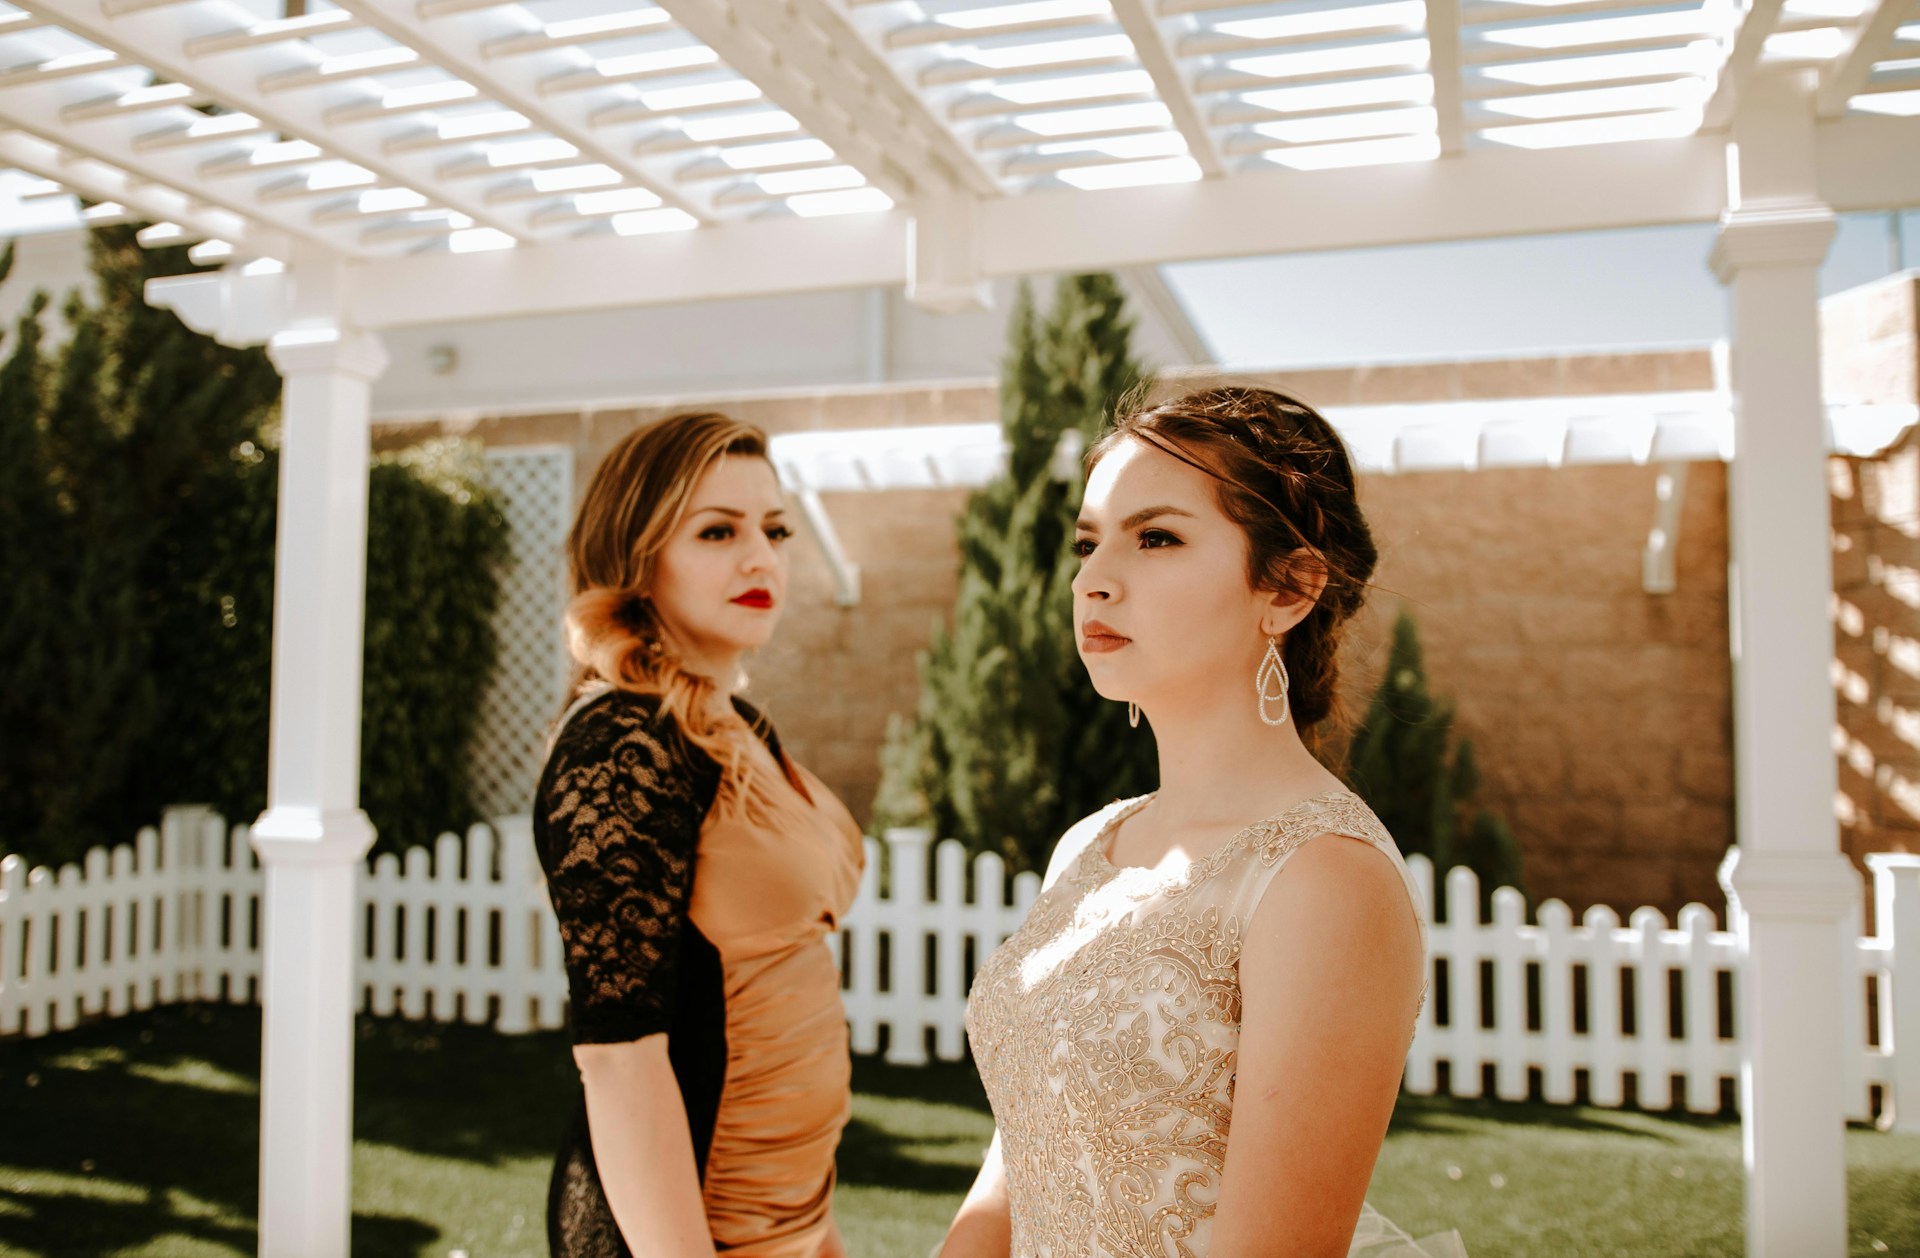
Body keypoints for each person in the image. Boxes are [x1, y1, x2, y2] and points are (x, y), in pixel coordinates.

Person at [943, 387, 1466, 1257]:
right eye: (1087, 541)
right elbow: (1016, 1169)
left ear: (1289, 587)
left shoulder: (1325, 877)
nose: (1093, 579)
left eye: (1156, 537)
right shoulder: (1091, 845)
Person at [533, 411, 863, 1258]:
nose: (762, 557)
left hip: (791, 1213)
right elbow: (619, 1057)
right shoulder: (621, 742)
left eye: (775, 529)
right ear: (637, 558)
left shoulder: (737, 721)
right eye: (718, 531)